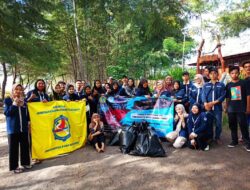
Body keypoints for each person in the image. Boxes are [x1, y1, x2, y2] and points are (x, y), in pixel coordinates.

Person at [4, 84, 31, 173]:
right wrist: (15, 104)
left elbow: (27, 114)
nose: (18, 91)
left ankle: (25, 163)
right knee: (13, 148)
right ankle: (14, 167)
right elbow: (7, 113)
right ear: (13, 90)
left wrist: (28, 122)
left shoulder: (24, 101)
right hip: (12, 129)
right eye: (16, 89)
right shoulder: (8, 100)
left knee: (25, 146)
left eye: (20, 89)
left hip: (23, 128)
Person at [225, 66, 250, 151]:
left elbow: (248, 96)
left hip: (241, 108)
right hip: (231, 109)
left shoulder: (244, 83)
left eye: (236, 73)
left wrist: (248, 107)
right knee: (232, 125)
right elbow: (228, 97)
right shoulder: (228, 85)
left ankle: (247, 143)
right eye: (232, 73)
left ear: (239, 73)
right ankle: (234, 141)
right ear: (230, 74)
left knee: (243, 126)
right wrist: (226, 107)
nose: (234, 74)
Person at [201, 67, 226, 145]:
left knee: (218, 123)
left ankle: (217, 137)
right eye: (211, 73)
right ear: (209, 75)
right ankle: (210, 137)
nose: (213, 75)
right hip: (208, 108)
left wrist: (213, 103)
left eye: (215, 73)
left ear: (217, 74)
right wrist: (205, 104)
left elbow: (223, 96)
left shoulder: (221, 85)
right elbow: (203, 95)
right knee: (209, 123)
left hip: (217, 108)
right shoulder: (206, 85)